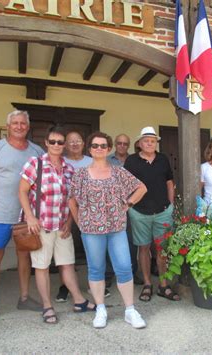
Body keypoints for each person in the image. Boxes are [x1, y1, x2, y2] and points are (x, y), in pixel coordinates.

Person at [69, 132, 148, 329]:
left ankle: (130, 310)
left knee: (124, 267)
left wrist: (128, 203)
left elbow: (141, 188)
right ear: (90, 149)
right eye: (95, 146)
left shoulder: (119, 172)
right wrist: (80, 224)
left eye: (103, 146)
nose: (99, 149)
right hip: (91, 230)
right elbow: (71, 200)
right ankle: (101, 309)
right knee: (96, 269)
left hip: (116, 228)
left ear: (109, 148)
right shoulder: (80, 175)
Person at [19, 126, 95, 324]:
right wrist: (30, 217)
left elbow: (71, 200)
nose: (56, 145)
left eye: (60, 142)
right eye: (52, 141)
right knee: (42, 267)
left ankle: (79, 300)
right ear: (46, 143)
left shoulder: (69, 169)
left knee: (67, 264)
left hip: (62, 226)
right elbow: (22, 192)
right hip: (41, 226)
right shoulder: (35, 164)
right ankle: (47, 306)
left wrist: (69, 223)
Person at [0, 110, 44, 325]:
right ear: (7, 126)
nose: (19, 126)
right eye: (15, 123)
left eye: (23, 123)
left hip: (25, 216)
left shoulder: (36, 150)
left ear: (28, 127)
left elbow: (43, 184)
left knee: (24, 256)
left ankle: (24, 298)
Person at [124, 126, 180, 302]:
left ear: (156, 143)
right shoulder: (131, 161)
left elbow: (169, 182)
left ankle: (163, 285)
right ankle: (147, 284)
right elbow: (126, 186)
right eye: (146, 141)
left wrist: (171, 205)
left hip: (163, 211)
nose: (149, 143)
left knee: (162, 249)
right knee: (143, 247)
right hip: (139, 212)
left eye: (152, 141)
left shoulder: (163, 159)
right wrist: (129, 206)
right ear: (139, 143)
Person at [56, 131, 112, 301]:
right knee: (64, 251)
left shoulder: (91, 161)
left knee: (92, 250)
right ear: (66, 144)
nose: (74, 144)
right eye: (71, 141)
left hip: (91, 213)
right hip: (65, 211)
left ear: (84, 144)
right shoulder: (61, 161)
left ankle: (92, 284)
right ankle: (65, 285)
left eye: (78, 141)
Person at [107, 134, 143, 285]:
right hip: (110, 206)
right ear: (115, 144)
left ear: (128, 145)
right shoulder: (107, 161)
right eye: (119, 143)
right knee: (109, 241)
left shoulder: (134, 160)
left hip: (131, 205)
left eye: (125, 144)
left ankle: (132, 273)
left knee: (131, 241)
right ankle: (108, 275)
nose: (122, 146)